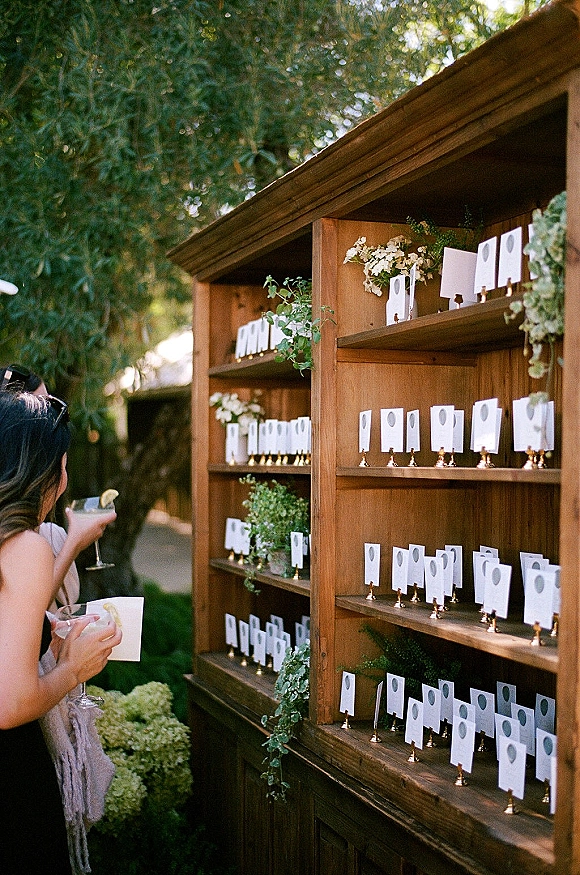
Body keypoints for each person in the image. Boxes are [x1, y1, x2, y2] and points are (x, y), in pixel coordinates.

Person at [0, 391, 122, 874]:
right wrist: (73, 668)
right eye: (63, 466)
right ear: (42, 474)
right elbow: (10, 705)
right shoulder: (24, 546)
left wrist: (44, 628)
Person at [0, 364, 116, 608]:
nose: (49, 418)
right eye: (37, 407)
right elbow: (28, 613)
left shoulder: (49, 535)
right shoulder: (26, 546)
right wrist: (74, 542)